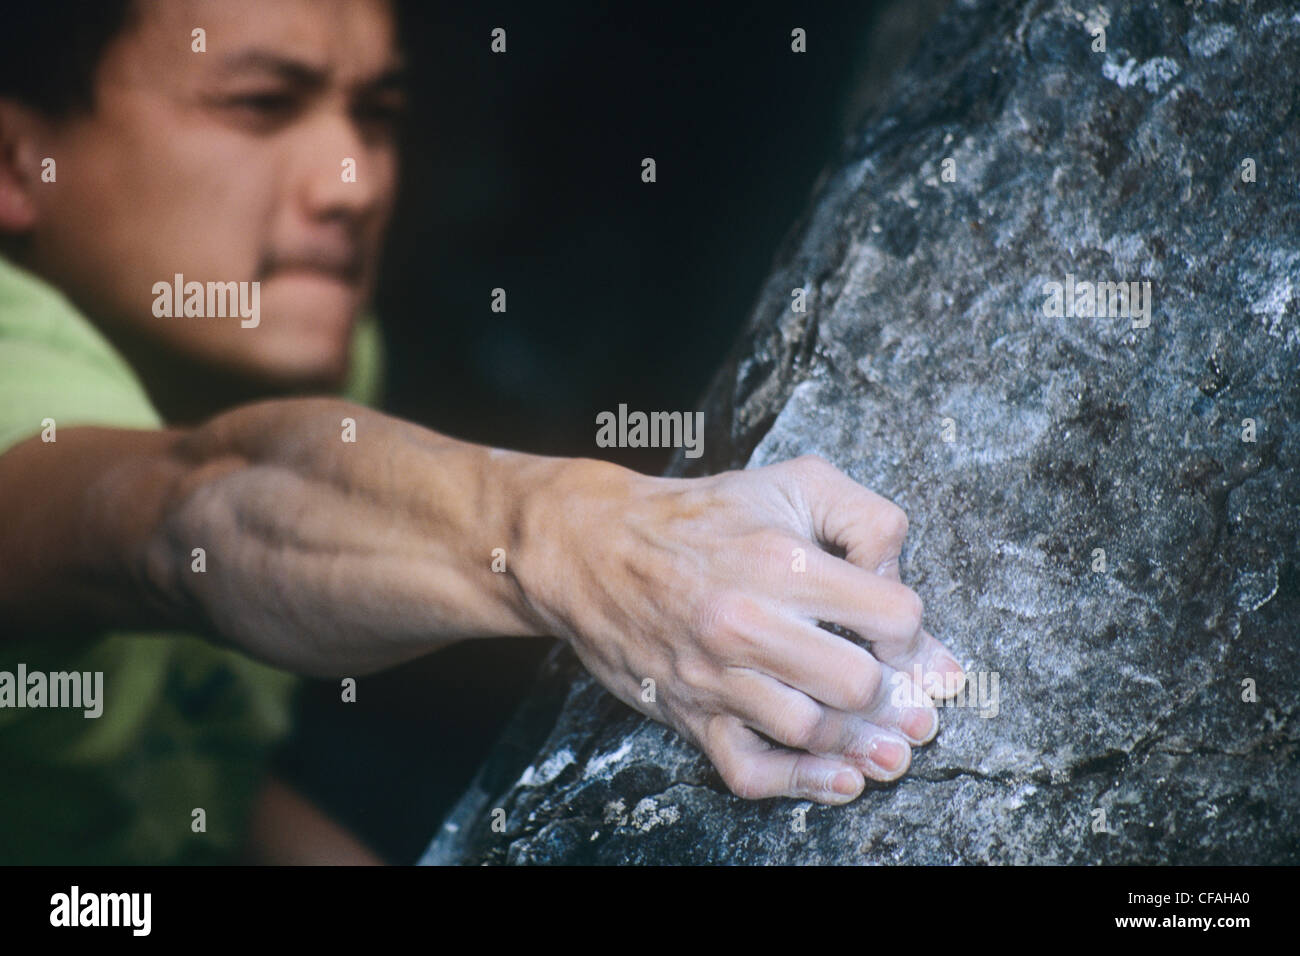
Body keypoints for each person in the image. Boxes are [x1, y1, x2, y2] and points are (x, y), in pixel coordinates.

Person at [0, 0, 966, 865]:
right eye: (259, 104)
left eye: (375, 115)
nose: (353, 184)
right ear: (17, 163)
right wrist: (580, 537)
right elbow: (193, 515)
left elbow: (185, 767)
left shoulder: (322, 357)